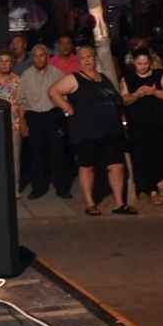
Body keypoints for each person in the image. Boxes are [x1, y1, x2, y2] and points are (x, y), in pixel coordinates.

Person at [50, 44, 132, 215]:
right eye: (83, 57)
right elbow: (54, 91)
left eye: (89, 57)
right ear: (79, 60)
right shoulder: (75, 78)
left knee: (117, 166)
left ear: (95, 58)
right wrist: (67, 107)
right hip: (86, 131)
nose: (87, 60)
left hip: (110, 130)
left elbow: (115, 100)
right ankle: (90, 203)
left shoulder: (104, 78)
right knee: (87, 166)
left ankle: (119, 203)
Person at [120, 47, 163, 206]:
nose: (143, 66)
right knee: (141, 156)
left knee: (158, 155)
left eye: (146, 63)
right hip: (137, 124)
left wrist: (154, 92)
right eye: (140, 63)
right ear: (134, 63)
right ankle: (157, 186)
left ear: (150, 63)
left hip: (158, 123)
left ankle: (158, 186)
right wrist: (136, 94)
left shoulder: (159, 75)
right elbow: (123, 100)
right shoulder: (128, 78)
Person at [19, 44, 70, 200]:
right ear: (32, 57)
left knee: (58, 153)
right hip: (33, 116)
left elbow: (65, 98)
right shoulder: (26, 75)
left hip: (52, 116)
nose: (39, 58)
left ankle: (62, 187)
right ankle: (38, 187)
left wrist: (63, 122)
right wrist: (22, 123)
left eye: (42, 55)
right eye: (36, 56)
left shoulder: (57, 73)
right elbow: (22, 101)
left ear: (47, 56)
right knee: (36, 154)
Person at [0, 51, 25, 189]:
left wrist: (22, 123)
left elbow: (20, 103)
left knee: (14, 158)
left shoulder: (17, 80)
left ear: (12, 63)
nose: (4, 64)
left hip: (13, 123)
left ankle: (14, 188)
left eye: (7, 61)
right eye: (1, 61)